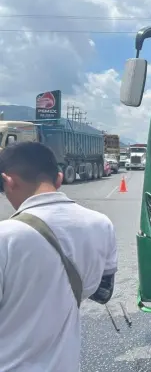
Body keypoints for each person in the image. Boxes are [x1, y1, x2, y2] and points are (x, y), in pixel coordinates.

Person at [0, 141, 118, 371]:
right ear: (59, 178)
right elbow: (103, 293)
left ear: (8, 181)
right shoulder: (102, 225)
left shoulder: (5, 236)